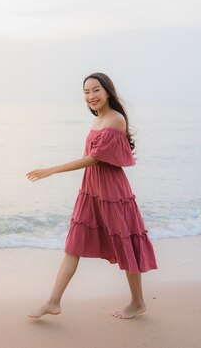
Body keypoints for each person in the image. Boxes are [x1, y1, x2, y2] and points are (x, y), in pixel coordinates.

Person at [26, 72, 157, 320]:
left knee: (124, 242)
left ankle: (138, 302)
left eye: (95, 90)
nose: (91, 96)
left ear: (108, 91)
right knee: (73, 245)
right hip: (91, 190)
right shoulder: (98, 119)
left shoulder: (115, 120)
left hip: (112, 192)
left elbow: (94, 158)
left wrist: (51, 170)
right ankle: (53, 302)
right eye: (86, 92)